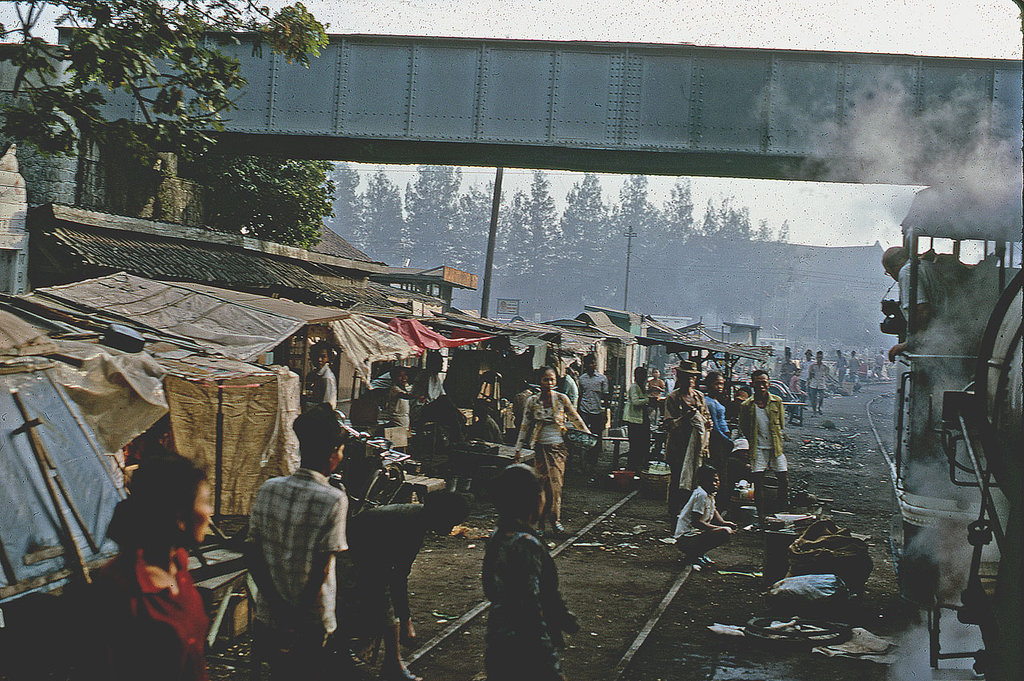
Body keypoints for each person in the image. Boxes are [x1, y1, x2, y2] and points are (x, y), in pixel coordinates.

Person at [85, 454, 213, 681]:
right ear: (179, 516)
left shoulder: (179, 566)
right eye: (205, 501)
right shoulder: (122, 588)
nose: (210, 512)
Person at [246, 404, 350, 680]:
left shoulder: (269, 488)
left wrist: (278, 607)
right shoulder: (334, 499)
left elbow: (253, 554)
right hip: (309, 620)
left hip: (269, 614)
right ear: (333, 455)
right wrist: (295, 619)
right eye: (340, 451)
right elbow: (321, 570)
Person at [345, 492, 470, 681]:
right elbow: (397, 578)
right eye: (450, 522)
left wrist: (404, 618)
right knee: (380, 601)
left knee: (380, 601)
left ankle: (388, 662)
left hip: (367, 550)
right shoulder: (410, 525)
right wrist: (406, 621)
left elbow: (398, 574)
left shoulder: (418, 518)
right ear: (439, 516)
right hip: (352, 551)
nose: (451, 528)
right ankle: (391, 665)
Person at [483, 464, 578, 681]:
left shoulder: (499, 534)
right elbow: (530, 606)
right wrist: (549, 662)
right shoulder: (526, 544)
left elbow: (490, 587)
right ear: (535, 500)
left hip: (498, 634)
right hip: (525, 644)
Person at [514, 366, 590, 535]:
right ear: (540, 381)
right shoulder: (532, 401)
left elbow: (575, 418)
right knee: (540, 488)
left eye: (552, 380)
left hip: (558, 449)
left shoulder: (562, 399)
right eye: (545, 379)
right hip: (540, 449)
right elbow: (524, 426)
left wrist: (588, 435)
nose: (549, 383)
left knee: (555, 487)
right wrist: (518, 449)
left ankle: (555, 520)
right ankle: (540, 524)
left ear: (556, 382)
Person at [663, 361, 711, 519]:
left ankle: (689, 513)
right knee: (677, 480)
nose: (690, 380)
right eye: (686, 376)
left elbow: (707, 419)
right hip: (678, 447)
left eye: (692, 377)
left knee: (695, 480)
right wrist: (685, 418)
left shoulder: (699, 396)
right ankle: (674, 514)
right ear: (679, 377)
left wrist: (707, 423)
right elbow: (669, 425)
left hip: (697, 448)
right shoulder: (672, 398)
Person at [739, 370, 787, 525]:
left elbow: (781, 423)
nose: (761, 386)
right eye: (757, 383)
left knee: (783, 478)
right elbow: (744, 427)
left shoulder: (777, 401)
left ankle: (781, 511)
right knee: (758, 481)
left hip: (775, 446)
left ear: (769, 383)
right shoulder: (747, 406)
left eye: (764, 382)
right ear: (752, 384)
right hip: (758, 447)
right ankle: (761, 515)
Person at [674, 465, 737, 571]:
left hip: (695, 535)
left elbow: (713, 509)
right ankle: (693, 555)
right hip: (687, 538)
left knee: (725, 530)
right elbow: (696, 522)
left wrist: (723, 522)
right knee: (724, 533)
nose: (714, 484)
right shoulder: (701, 495)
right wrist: (718, 528)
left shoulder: (709, 494)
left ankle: (699, 554)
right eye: (710, 481)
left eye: (716, 481)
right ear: (702, 482)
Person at [883, 245, 939, 362]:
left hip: (934, 342)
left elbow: (922, 311)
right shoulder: (926, 266)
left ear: (892, 268)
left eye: (888, 272)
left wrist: (910, 343)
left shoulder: (907, 272)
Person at [576, 354, 608, 472]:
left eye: (592, 363)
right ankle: (582, 462)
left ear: (595, 364)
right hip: (584, 410)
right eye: (588, 363)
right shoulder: (581, 379)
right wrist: (578, 412)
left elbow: (606, 397)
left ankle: (593, 462)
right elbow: (579, 396)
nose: (591, 365)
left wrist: (605, 413)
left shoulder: (602, 379)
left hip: (597, 411)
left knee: (596, 437)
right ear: (585, 365)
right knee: (583, 437)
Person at [703, 371, 732, 493]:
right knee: (720, 470)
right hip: (718, 440)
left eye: (721, 384)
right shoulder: (710, 402)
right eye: (716, 384)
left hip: (721, 437)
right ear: (709, 385)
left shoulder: (715, 400)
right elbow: (715, 427)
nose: (720, 387)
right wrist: (728, 442)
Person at [622, 366, 651, 472]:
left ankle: (638, 466)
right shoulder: (634, 387)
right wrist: (648, 400)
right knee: (635, 445)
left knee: (642, 444)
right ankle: (632, 468)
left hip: (640, 419)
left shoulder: (641, 387)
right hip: (634, 420)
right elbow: (635, 401)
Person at [308, 342, 338, 408]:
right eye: (316, 356)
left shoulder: (326, 377)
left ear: (328, 358)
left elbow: (326, 404)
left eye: (323, 357)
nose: (319, 360)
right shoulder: (318, 374)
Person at [807, 350, 828, 415]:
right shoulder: (812, 365)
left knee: (821, 397)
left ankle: (819, 407)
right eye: (818, 357)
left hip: (821, 383)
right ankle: (814, 411)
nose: (819, 359)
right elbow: (810, 374)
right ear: (816, 358)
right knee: (813, 398)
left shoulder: (824, 366)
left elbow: (826, 374)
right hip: (813, 382)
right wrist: (808, 382)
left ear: (822, 358)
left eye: (820, 357)